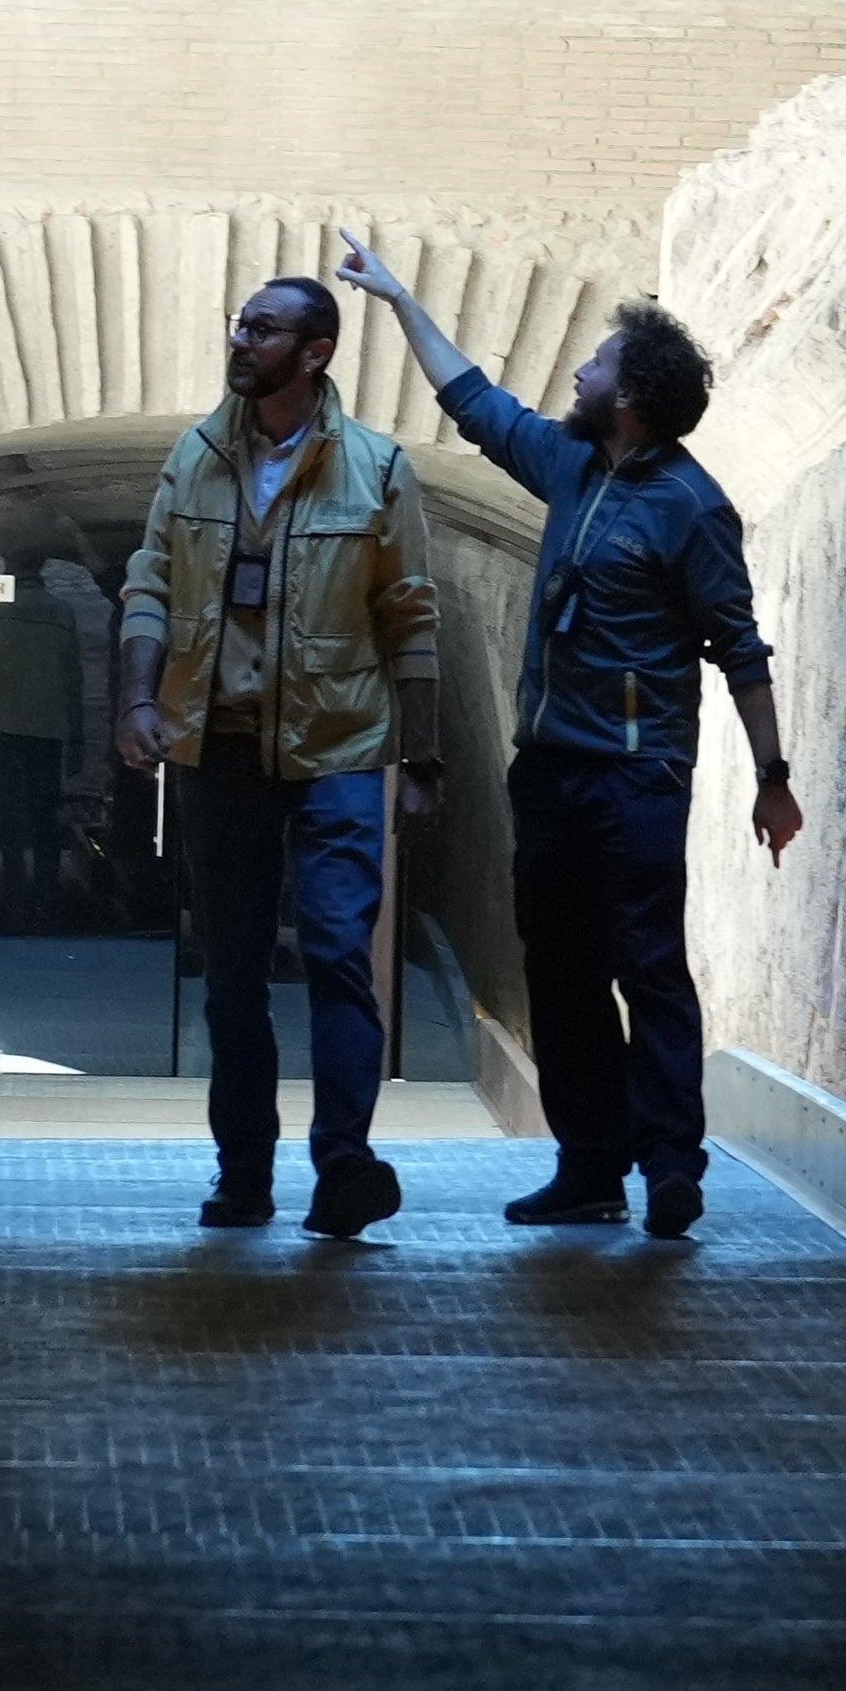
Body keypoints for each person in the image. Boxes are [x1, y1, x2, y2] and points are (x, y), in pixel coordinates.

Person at [336, 236, 799, 1241]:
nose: (577, 374)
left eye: (593, 365)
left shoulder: (692, 509)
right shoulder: (571, 465)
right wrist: (400, 301)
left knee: (646, 962)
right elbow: (475, 401)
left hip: (636, 776)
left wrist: (772, 778)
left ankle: (672, 1163)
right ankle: (589, 1165)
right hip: (549, 769)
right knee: (558, 966)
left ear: (629, 394)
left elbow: (739, 648)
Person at [118, 276, 447, 1234]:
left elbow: (410, 615)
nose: (242, 339)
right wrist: (141, 698)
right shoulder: (196, 454)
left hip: (341, 746)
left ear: (316, 352)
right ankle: (244, 1173)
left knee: (343, 953)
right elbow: (150, 580)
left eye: (264, 329)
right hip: (218, 745)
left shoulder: (377, 468)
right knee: (231, 971)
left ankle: (344, 1164)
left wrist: (422, 754)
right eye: (240, 323)